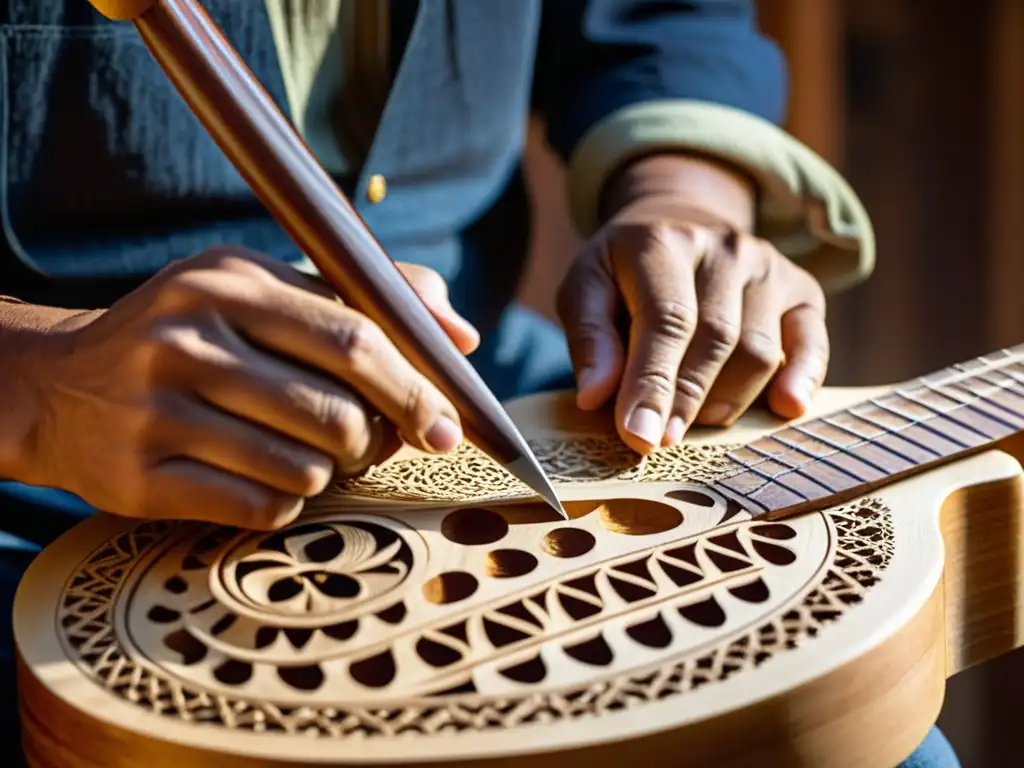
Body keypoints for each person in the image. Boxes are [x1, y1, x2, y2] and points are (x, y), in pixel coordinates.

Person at [0, 0, 954, 764]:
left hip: (477, 394)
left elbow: (665, 16)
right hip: (41, 480)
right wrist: (42, 382)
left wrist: (686, 198)